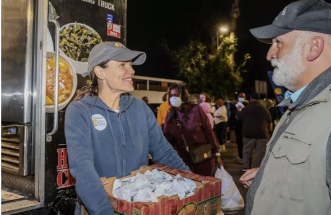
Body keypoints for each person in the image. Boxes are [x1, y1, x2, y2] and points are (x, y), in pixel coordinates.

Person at [240, 1, 331, 215]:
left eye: (278, 43)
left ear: (314, 47)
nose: (269, 54)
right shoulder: (307, 98)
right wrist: (269, 176)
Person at [65, 42, 190, 215]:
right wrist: (104, 211)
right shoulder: (80, 111)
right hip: (99, 209)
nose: (131, 71)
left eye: (130, 65)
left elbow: (165, 153)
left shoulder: (140, 108)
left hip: (139, 208)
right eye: (122, 65)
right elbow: (83, 168)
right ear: (100, 72)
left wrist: (197, 186)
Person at [163, 84, 223, 176]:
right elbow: (166, 139)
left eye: (176, 95)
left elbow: (208, 132)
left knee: (204, 186)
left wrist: (216, 153)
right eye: (171, 96)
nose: (173, 98)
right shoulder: (170, 116)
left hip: (202, 157)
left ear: (183, 96)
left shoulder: (196, 110)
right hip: (183, 160)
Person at [236, 93, 272, 171]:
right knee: (260, 152)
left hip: (249, 134)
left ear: (251, 99)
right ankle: (257, 169)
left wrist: (238, 110)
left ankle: (246, 167)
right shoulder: (264, 109)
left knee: (247, 151)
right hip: (262, 134)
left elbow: (238, 117)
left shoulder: (247, 108)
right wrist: (269, 132)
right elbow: (270, 121)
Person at [226, 92, 248, 163]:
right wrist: (229, 125)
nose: (241, 97)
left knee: (244, 142)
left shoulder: (247, 105)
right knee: (239, 142)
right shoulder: (235, 105)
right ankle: (240, 155)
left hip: (244, 126)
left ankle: (243, 157)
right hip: (237, 127)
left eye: (243, 96)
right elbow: (232, 116)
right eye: (240, 96)